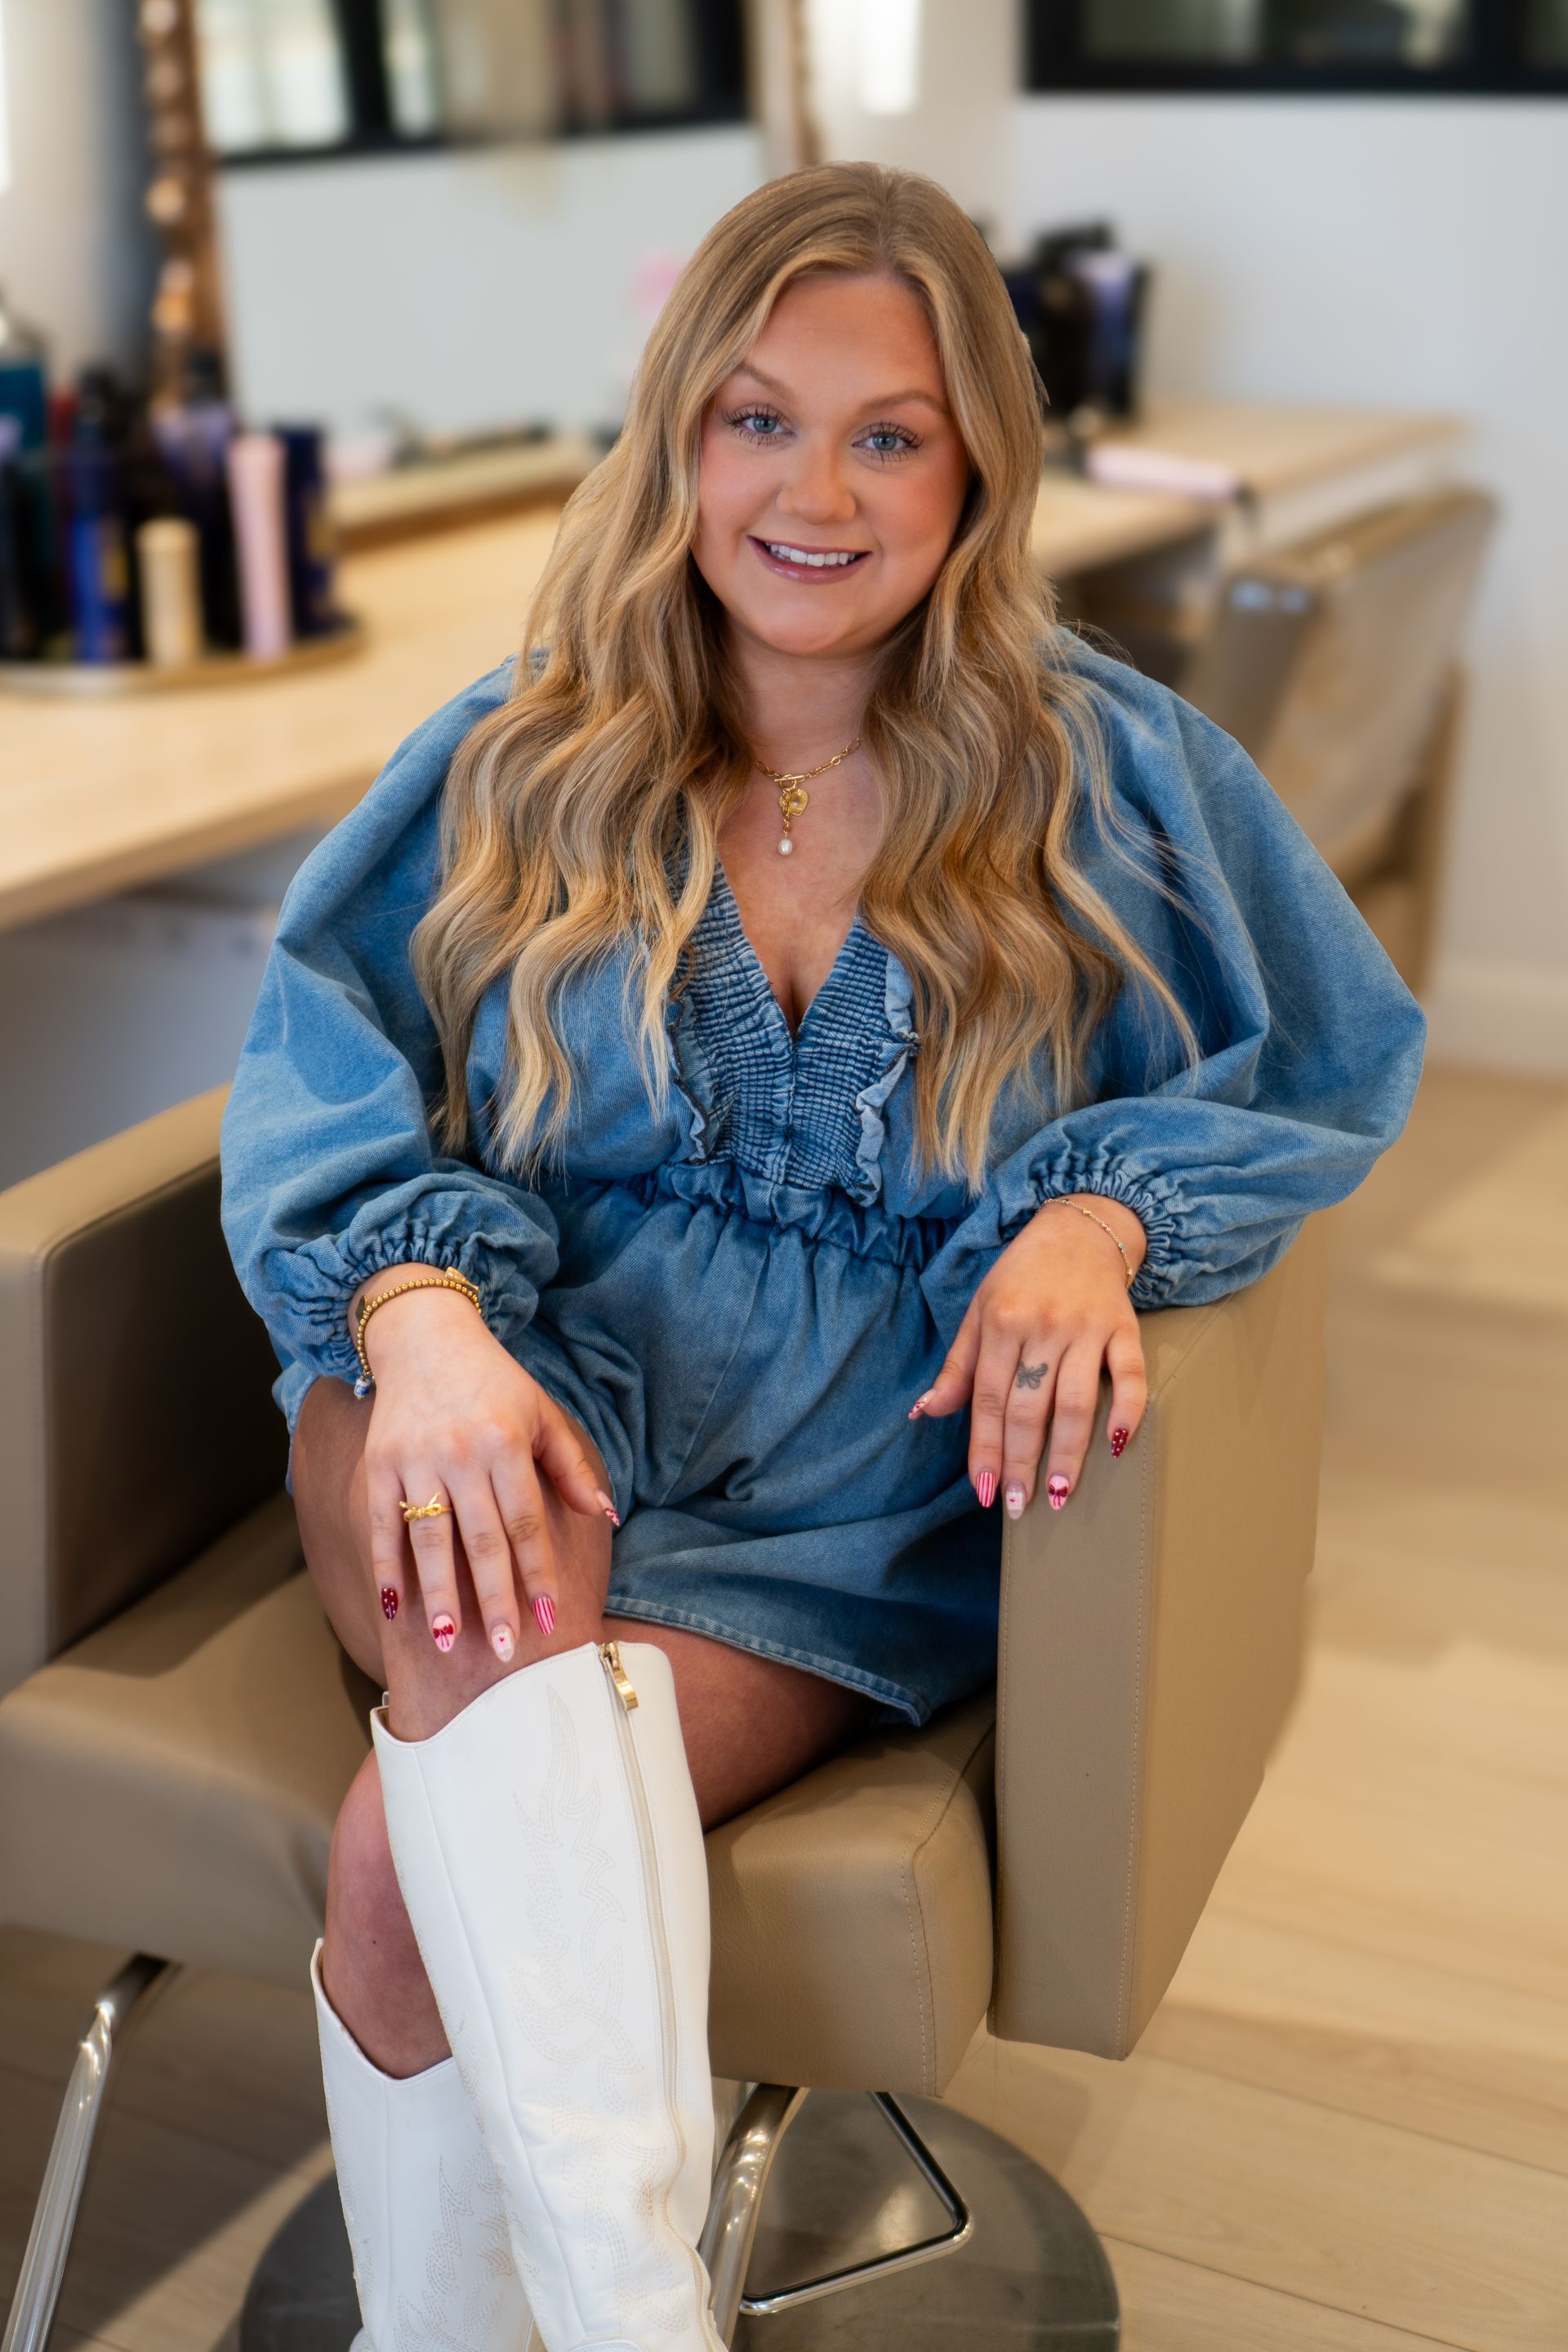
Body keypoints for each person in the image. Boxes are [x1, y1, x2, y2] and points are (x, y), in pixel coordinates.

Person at [220, 162, 1423, 2352]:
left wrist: (1097, 1207)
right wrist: (418, 1319)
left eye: (891, 434)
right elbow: (315, 1064)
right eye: (759, 418)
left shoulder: (1109, 780)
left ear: (977, 473)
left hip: (840, 1502)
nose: (819, 490)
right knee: (481, 1539)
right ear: (679, 435)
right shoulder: (518, 755)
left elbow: (1333, 1058)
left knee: (406, 1863)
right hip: (474, 1393)